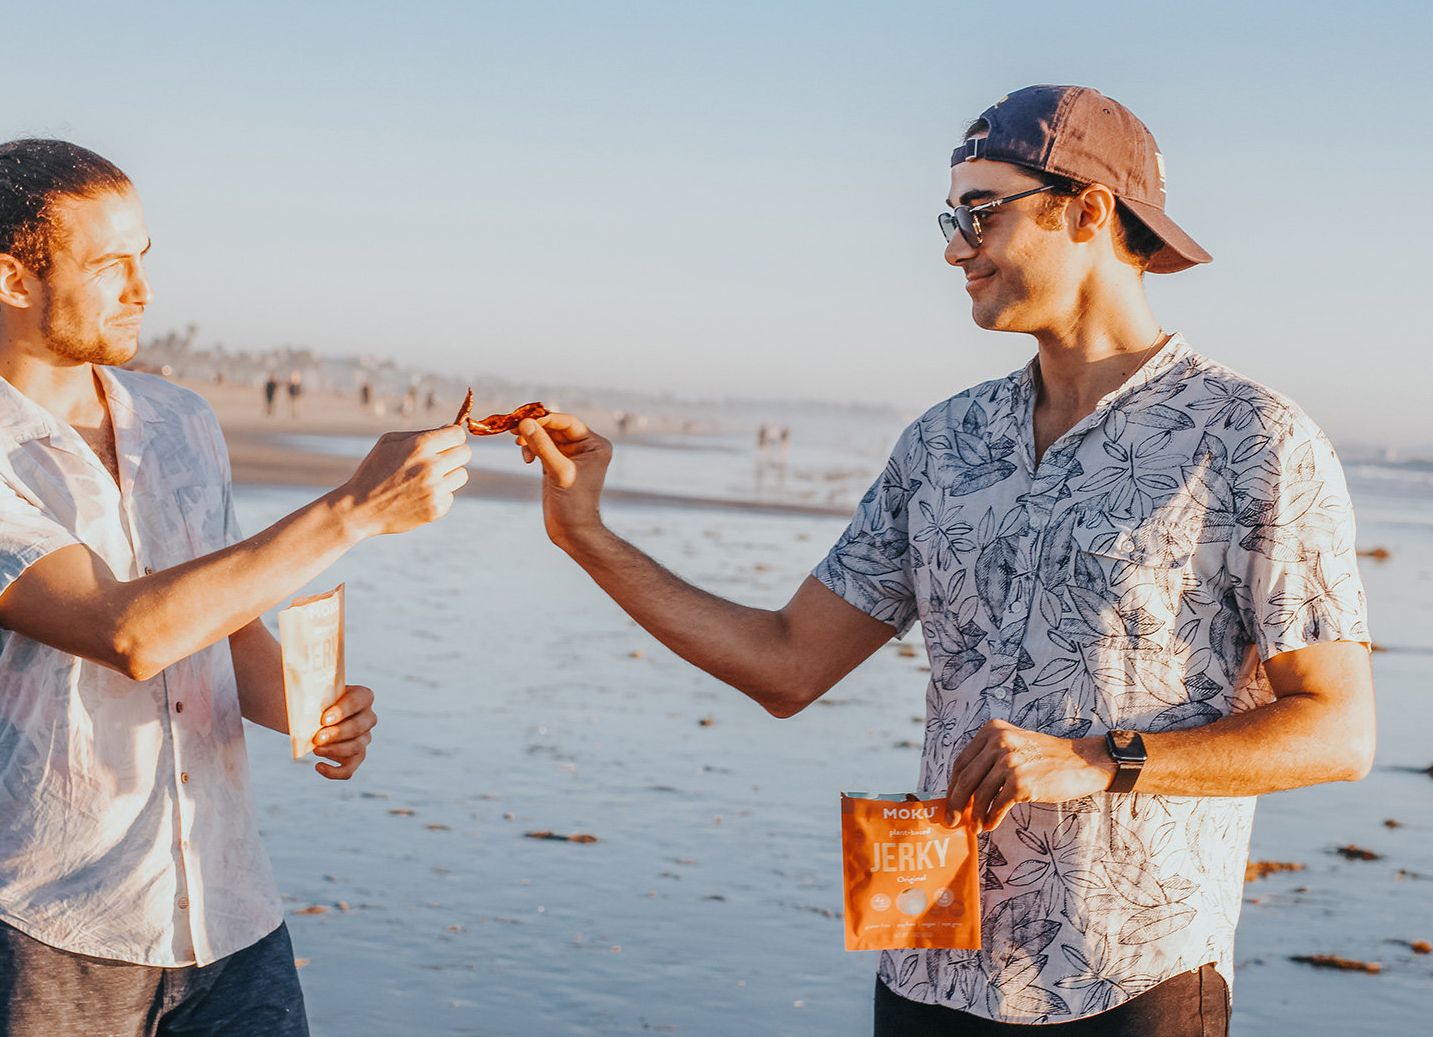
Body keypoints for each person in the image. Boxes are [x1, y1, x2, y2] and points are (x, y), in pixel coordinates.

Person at [512, 86, 1374, 1035]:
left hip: (1129, 978)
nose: (956, 247)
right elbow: (788, 663)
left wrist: (1097, 759)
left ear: (1087, 210)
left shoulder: (1254, 439)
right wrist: (586, 537)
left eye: (980, 212)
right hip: (927, 963)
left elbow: (1338, 733)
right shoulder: (944, 443)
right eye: (950, 216)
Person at [0, 130, 471, 1037]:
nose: (143, 290)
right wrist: (350, 512)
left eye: (144, 258)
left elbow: (225, 630)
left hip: (235, 922)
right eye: (109, 265)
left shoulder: (183, 422)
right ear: (14, 281)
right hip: (48, 931)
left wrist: (309, 706)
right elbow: (130, 634)